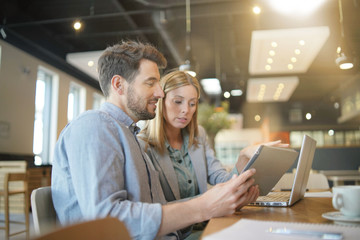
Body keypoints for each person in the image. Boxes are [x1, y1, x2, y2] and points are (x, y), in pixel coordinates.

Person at [51, 40, 259, 240]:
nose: (160, 92)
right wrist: (203, 206)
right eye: (151, 83)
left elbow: (157, 209)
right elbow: (106, 221)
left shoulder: (128, 134)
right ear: (119, 85)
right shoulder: (94, 125)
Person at [137, 70, 286, 238]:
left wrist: (243, 158)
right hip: (176, 234)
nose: (186, 110)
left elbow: (220, 177)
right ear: (161, 100)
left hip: (210, 224)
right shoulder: (142, 145)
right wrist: (211, 201)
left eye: (192, 103)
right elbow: (155, 208)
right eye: (178, 101)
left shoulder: (198, 135)